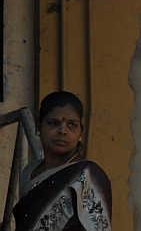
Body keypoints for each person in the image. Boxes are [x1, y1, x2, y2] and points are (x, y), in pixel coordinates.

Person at [12, 91, 112, 230]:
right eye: (53, 123)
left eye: (72, 125)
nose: (63, 131)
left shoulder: (86, 175)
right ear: (38, 126)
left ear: (80, 133)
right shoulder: (29, 172)